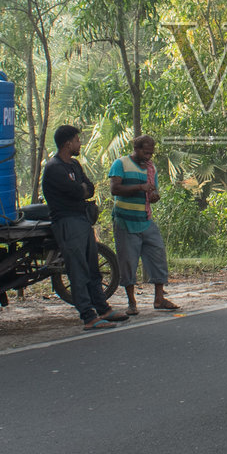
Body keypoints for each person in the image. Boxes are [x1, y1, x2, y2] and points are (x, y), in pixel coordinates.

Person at [41, 125, 126, 330]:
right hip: (67, 222)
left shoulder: (74, 165)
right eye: (77, 140)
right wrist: (80, 189)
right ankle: (88, 317)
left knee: (92, 268)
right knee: (78, 269)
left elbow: (89, 188)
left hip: (82, 219)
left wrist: (80, 189)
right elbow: (77, 190)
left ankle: (102, 308)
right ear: (67, 143)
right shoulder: (54, 168)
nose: (80, 144)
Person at [108, 134, 179, 313]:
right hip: (125, 220)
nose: (148, 156)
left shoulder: (151, 169)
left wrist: (154, 197)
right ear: (137, 149)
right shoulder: (121, 164)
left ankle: (159, 298)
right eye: (145, 153)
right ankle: (132, 302)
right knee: (128, 261)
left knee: (157, 254)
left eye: (151, 153)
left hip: (145, 219)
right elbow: (115, 189)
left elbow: (151, 194)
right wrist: (139, 187)